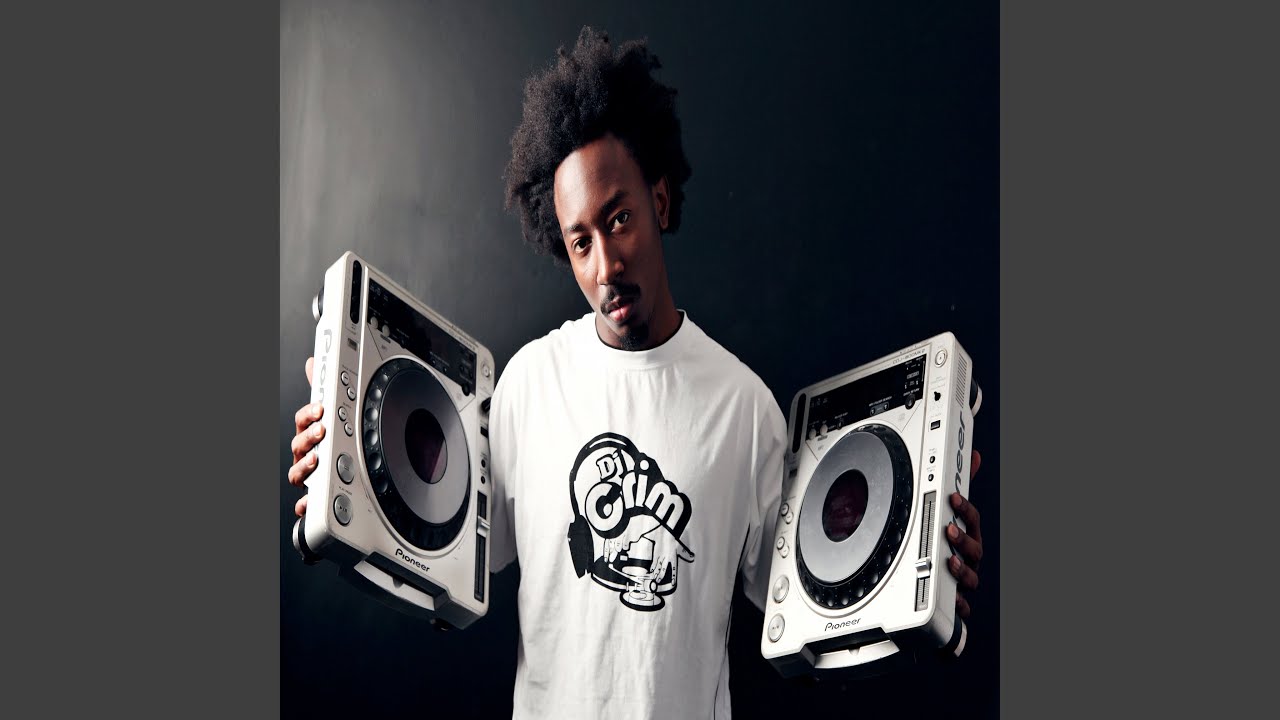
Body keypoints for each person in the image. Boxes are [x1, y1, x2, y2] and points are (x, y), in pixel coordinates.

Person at [286, 26, 984, 719]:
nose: (606, 266)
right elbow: (437, 531)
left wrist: (928, 558)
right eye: (580, 242)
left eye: (619, 219)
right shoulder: (528, 384)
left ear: (661, 201)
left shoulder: (745, 408)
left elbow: (818, 587)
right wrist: (345, 450)